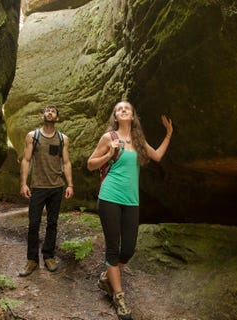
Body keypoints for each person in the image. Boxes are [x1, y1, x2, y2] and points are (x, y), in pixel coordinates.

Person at [87, 101, 173, 320]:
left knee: (129, 249)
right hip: (109, 197)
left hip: (131, 200)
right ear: (115, 116)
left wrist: (169, 134)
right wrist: (108, 155)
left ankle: (107, 276)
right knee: (113, 248)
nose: (123, 110)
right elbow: (90, 164)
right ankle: (119, 297)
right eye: (119, 109)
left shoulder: (138, 140)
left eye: (127, 109)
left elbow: (157, 156)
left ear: (133, 116)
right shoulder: (109, 138)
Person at [19, 105, 74, 276]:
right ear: (42, 115)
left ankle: (49, 256)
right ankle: (32, 260)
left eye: (53, 111)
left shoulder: (62, 138)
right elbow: (26, 160)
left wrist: (70, 184)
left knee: (52, 223)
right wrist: (23, 183)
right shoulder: (32, 136)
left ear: (57, 117)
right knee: (33, 224)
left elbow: (66, 163)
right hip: (38, 187)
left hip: (56, 187)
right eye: (47, 110)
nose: (50, 112)